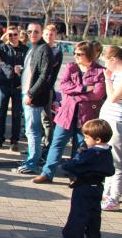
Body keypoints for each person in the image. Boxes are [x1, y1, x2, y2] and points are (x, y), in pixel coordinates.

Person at [33, 42, 105, 183]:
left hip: (86, 116)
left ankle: (75, 175)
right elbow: (64, 86)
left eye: (79, 54)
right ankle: (47, 173)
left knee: (80, 146)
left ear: (89, 54)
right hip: (66, 114)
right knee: (57, 143)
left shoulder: (100, 71)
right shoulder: (70, 67)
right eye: (75, 53)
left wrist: (75, 95)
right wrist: (84, 89)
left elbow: (97, 94)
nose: (76, 56)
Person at [59, 119, 115, 238]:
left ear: (97, 139)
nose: (85, 139)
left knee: (78, 215)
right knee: (94, 215)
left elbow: (75, 164)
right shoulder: (107, 151)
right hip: (97, 187)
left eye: (87, 137)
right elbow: (110, 170)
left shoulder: (91, 154)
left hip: (84, 187)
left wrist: (75, 157)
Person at [13, 22, 55, 174]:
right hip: (27, 93)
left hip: (34, 97)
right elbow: (34, 72)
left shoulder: (44, 49)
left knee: (33, 131)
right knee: (31, 130)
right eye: (30, 31)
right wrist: (21, 71)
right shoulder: (33, 47)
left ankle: (32, 163)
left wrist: (31, 94)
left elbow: (45, 75)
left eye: (36, 31)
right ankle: (31, 159)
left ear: (42, 32)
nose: (32, 34)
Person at [0, 25, 28, 150]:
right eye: (10, 34)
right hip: (4, 84)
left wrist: (22, 73)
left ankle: (14, 141)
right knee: (1, 113)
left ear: (19, 35)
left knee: (16, 114)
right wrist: (1, 39)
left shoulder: (25, 49)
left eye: (15, 34)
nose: (13, 37)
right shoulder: (3, 47)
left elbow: (30, 67)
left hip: (18, 85)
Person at [100, 46, 122, 211]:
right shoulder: (115, 73)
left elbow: (113, 97)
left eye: (106, 60)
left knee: (116, 161)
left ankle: (114, 197)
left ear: (113, 60)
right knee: (108, 157)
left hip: (117, 122)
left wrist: (107, 80)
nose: (105, 64)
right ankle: (107, 192)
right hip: (109, 119)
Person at [41, 24, 64, 152]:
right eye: (47, 34)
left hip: (46, 89)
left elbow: (47, 66)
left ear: (55, 36)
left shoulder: (56, 51)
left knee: (46, 118)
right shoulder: (38, 48)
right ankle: (36, 147)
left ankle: (47, 146)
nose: (49, 37)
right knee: (34, 120)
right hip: (33, 89)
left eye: (51, 34)